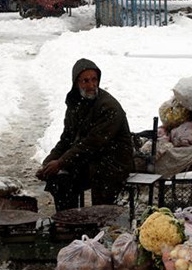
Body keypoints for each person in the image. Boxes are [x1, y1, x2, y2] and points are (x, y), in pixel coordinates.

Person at [36, 58, 134, 210]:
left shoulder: (108, 106)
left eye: (94, 79)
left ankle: (94, 224)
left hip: (112, 162)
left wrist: (61, 162)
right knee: (60, 179)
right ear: (76, 83)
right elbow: (67, 138)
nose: (91, 85)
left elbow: (92, 143)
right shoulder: (76, 103)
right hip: (89, 158)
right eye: (85, 81)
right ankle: (67, 222)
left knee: (75, 174)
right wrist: (49, 162)